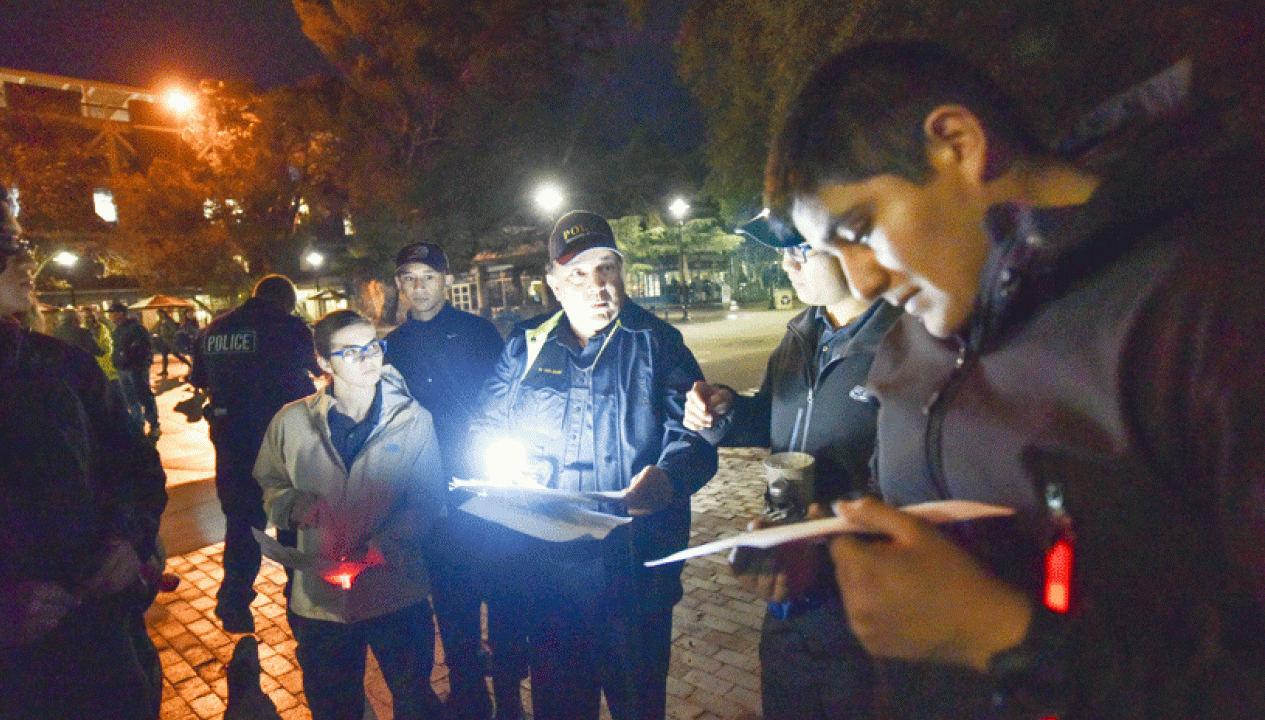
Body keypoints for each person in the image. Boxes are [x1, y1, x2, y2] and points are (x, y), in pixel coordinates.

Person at [766, 41, 1265, 718]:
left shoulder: (1213, 302)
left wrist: (1007, 639)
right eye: (832, 254)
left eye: (861, 228)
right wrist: (843, 547)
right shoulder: (916, 332)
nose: (864, 281)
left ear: (958, 143)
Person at [470, 210, 718, 720]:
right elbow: (484, 424)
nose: (597, 285)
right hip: (546, 578)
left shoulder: (658, 343)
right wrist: (500, 471)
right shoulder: (526, 343)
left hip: (632, 575)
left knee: (638, 706)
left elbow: (694, 439)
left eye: (606, 268)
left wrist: (667, 480)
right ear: (554, 283)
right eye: (579, 273)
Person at [683, 212, 901, 720]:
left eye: (800, 250)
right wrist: (724, 410)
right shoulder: (802, 333)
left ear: (850, 245)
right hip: (785, 596)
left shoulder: (904, 342)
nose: (787, 264)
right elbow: (773, 418)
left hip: (862, 604)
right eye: (782, 253)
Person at [0, 175, 169, 719]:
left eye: (25, 246)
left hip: (105, 664)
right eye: (7, 245)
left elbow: (136, 472)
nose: (27, 263)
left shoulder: (60, 367)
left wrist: (129, 542)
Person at [255, 309, 445, 720]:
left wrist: (384, 545)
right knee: (334, 709)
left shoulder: (413, 420)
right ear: (323, 362)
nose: (369, 358)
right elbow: (269, 482)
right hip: (321, 603)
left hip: (396, 591)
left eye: (374, 346)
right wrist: (291, 505)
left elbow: (429, 500)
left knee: (414, 700)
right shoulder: (292, 421)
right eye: (352, 351)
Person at [382, 242, 509, 720]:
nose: (419, 288)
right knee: (452, 602)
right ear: (399, 285)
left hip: (486, 484)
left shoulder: (479, 333)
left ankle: (511, 692)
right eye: (409, 278)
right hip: (428, 495)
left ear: (447, 281)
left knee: (502, 594)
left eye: (428, 277)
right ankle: (470, 697)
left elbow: (506, 395)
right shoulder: (391, 347)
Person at [190, 275, 320, 633]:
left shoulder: (215, 329)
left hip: (231, 441)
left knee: (242, 522)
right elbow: (317, 368)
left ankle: (233, 601)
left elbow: (200, 380)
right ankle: (301, 595)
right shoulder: (288, 326)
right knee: (292, 519)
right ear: (286, 301)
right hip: (280, 440)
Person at [108, 300, 160, 438]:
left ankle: (154, 424)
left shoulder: (136, 328)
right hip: (123, 369)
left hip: (135, 368)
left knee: (144, 395)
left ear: (121, 314)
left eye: (112, 313)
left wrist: (142, 364)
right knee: (130, 398)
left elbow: (146, 347)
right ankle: (138, 424)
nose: (110, 317)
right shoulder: (118, 330)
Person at [152, 308, 191, 377]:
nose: (159, 315)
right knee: (164, 355)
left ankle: (189, 365)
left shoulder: (169, 321)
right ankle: (164, 370)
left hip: (171, 342)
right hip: (165, 342)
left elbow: (173, 331)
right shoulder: (162, 322)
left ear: (163, 314)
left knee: (177, 354)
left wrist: (165, 333)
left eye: (160, 314)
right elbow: (156, 329)